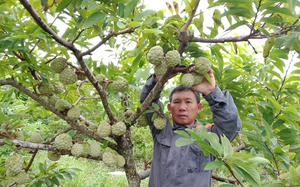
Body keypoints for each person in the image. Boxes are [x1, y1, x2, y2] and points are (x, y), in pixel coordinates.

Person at [139, 69, 242, 187]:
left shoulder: (208, 136)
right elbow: (147, 103)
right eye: (177, 102)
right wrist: (158, 80)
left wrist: (211, 92)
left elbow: (231, 124)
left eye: (188, 102)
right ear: (169, 108)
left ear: (198, 108)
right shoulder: (161, 128)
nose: (182, 107)